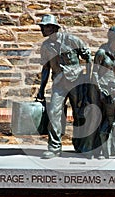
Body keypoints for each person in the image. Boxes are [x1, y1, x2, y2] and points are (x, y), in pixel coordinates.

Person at [36, 14, 92, 159]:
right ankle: (54, 147)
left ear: (53, 28)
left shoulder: (71, 40)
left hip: (76, 82)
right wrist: (41, 90)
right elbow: (45, 69)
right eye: (41, 26)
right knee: (54, 112)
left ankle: (81, 145)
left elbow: (88, 58)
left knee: (79, 113)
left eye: (45, 26)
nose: (42, 29)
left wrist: (89, 79)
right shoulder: (46, 46)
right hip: (59, 84)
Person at [92, 25, 115, 160]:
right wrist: (99, 90)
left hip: (113, 90)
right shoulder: (101, 52)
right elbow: (94, 73)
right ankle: (98, 150)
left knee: (114, 119)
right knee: (100, 119)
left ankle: (113, 149)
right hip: (100, 89)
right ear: (114, 36)